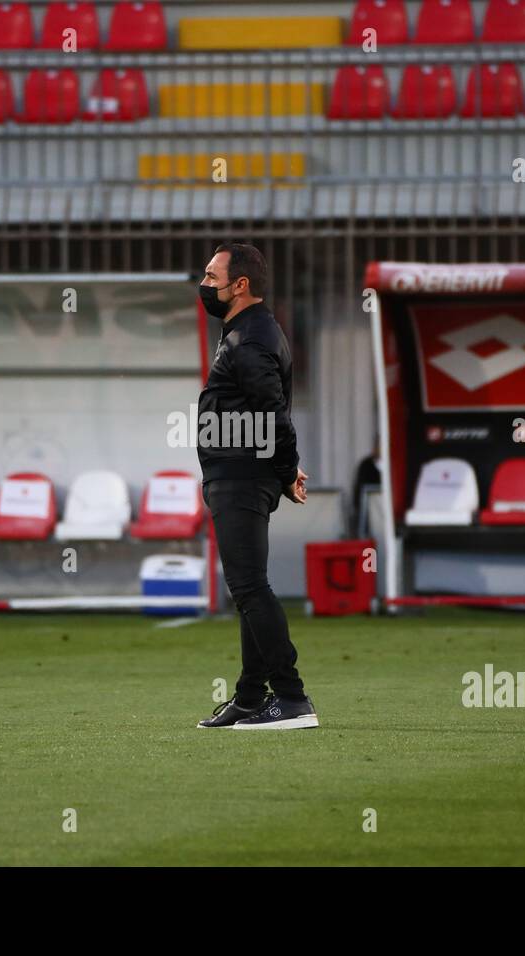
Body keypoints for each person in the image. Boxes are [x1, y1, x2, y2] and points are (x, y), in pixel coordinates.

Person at [193, 242, 318, 730]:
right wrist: (282, 467)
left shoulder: (248, 339)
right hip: (242, 469)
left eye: (210, 276)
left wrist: (285, 469)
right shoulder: (250, 332)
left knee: (249, 587)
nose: (204, 285)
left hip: (241, 474)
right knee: (249, 588)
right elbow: (270, 413)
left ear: (239, 285)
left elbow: (274, 413)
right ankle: (249, 698)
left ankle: (291, 698)